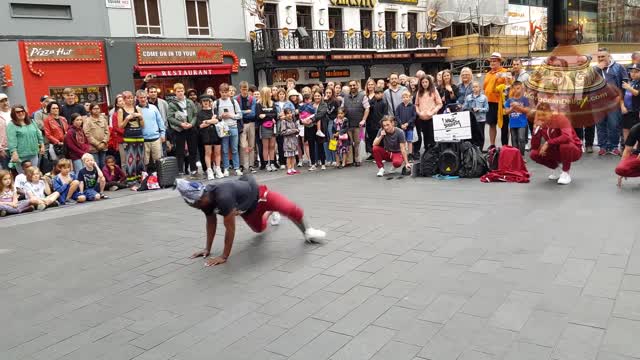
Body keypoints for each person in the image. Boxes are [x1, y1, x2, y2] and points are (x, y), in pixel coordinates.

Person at [177, 174, 326, 266]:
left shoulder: (223, 198)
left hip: (261, 196)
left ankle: (308, 231)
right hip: (247, 211)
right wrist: (207, 249)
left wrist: (224, 256)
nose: (194, 207)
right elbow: (211, 223)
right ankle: (270, 213)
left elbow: (230, 229)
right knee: (259, 229)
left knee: (290, 208)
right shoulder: (204, 202)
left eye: (193, 204)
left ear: (198, 200)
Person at [530, 103, 582, 185]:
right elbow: (534, 146)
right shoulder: (541, 124)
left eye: (544, 114)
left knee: (565, 145)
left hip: (573, 150)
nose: (541, 117)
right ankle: (557, 169)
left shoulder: (561, 119)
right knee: (534, 154)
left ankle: (566, 173)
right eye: (539, 115)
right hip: (556, 150)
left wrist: (548, 142)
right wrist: (535, 131)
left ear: (551, 113)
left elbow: (567, 137)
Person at [595, 47, 628, 156]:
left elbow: (624, 86)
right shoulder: (595, 69)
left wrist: (622, 102)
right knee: (600, 125)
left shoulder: (619, 67)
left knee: (614, 124)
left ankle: (613, 146)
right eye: (599, 56)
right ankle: (603, 147)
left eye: (603, 56)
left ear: (609, 56)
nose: (600, 58)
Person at [167, 83, 199, 176]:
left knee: (193, 150)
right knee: (180, 151)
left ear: (184, 91)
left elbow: (195, 114)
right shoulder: (172, 104)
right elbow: (170, 117)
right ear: (175, 92)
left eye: (181, 91)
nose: (180, 93)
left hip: (190, 128)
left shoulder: (190, 102)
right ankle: (180, 170)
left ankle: (194, 169)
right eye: (178, 91)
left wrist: (191, 124)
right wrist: (181, 124)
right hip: (179, 129)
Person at [213, 83, 243, 176]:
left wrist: (230, 115)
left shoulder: (233, 102)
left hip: (233, 126)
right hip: (223, 127)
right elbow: (214, 116)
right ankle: (226, 168)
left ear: (229, 92)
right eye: (222, 92)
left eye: (226, 92)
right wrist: (220, 116)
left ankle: (237, 168)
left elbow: (240, 115)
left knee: (234, 149)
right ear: (219, 92)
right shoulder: (216, 103)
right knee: (225, 149)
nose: (224, 94)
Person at [7, 105, 45, 173]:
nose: (21, 113)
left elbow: (39, 134)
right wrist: (14, 153)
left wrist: (42, 145)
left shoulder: (32, 122)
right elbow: (11, 140)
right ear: (13, 114)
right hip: (21, 156)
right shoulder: (11, 125)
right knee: (24, 177)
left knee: (34, 174)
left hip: (34, 153)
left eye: (22, 111)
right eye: (18, 112)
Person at [484, 52, 509, 150]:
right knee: (492, 124)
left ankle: (505, 146)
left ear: (499, 62)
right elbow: (485, 87)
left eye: (494, 61)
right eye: (491, 61)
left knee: (504, 125)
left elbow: (508, 86)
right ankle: (492, 144)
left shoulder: (505, 72)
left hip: (501, 103)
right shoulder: (488, 73)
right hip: (489, 102)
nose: (492, 63)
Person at [118, 91, 145, 182]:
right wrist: (126, 119)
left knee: (140, 157)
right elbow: (120, 126)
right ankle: (131, 179)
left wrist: (140, 117)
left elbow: (143, 125)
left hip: (139, 134)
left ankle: (140, 177)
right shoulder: (121, 110)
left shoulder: (137, 108)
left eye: (131, 98)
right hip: (129, 136)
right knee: (130, 158)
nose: (130, 100)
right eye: (128, 98)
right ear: (124, 99)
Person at [197, 95, 224, 180]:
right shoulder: (199, 113)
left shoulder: (214, 110)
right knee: (208, 153)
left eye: (207, 101)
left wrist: (207, 121)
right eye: (204, 101)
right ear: (201, 103)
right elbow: (201, 126)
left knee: (217, 152)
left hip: (216, 133)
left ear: (210, 102)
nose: (206, 103)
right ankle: (209, 170)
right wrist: (211, 121)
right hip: (206, 135)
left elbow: (217, 120)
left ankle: (218, 169)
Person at [136, 90, 165, 169]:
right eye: (141, 97)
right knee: (144, 162)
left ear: (147, 97)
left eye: (144, 97)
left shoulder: (153, 108)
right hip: (143, 140)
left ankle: (158, 178)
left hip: (156, 138)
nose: (143, 99)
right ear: (137, 98)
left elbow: (160, 121)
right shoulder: (135, 109)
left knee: (158, 161)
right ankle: (146, 179)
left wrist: (163, 134)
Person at [343, 80, 369, 166]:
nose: (352, 87)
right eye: (350, 85)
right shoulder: (345, 97)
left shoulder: (363, 96)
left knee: (358, 142)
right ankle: (350, 161)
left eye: (354, 85)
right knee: (349, 143)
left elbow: (367, 108)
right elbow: (342, 109)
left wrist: (364, 120)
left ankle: (358, 159)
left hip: (359, 125)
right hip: (348, 124)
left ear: (357, 86)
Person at [415, 75, 443, 150]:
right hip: (422, 118)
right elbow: (416, 105)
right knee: (425, 136)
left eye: (426, 82)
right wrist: (419, 113)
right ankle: (427, 153)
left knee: (432, 136)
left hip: (432, 118)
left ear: (429, 82)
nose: (424, 84)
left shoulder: (434, 91)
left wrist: (433, 112)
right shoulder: (419, 92)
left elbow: (440, 104)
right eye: (423, 82)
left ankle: (433, 153)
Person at [504, 81, 530, 155]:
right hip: (513, 123)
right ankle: (516, 156)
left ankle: (522, 155)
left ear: (521, 88)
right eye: (515, 89)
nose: (516, 90)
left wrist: (517, 107)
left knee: (521, 139)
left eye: (518, 88)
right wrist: (512, 108)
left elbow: (527, 110)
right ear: (512, 89)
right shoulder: (509, 100)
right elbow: (506, 112)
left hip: (522, 123)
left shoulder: (524, 99)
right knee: (514, 140)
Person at [256, 87, 278, 172]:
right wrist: (269, 115)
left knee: (272, 146)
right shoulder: (259, 104)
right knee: (265, 146)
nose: (271, 94)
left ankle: (272, 163)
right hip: (264, 126)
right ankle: (266, 163)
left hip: (273, 126)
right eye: (269, 92)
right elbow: (259, 116)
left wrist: (266, 115)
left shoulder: (272, 103)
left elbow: (275, 114)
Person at [237, 81, 257, 174]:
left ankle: (251, 165)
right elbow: (237, 113)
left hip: (251, 123)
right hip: (242, 124)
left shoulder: (252, 99)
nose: (245, 91)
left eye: (246, 89)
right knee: (243, 146)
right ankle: (243, 165)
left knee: (251, 145)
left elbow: (253, 113)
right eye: (243, 89)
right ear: (240, 89)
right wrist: (246, 112)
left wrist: (242, 112)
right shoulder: (236, 99)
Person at [462, 81, 489, 149]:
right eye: (473, 87)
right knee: (472, 135)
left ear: (480, 88)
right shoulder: (468, 97)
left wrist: (479, 109)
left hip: (481, 119)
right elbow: (464, 107)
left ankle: (480, 150)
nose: (475, 88)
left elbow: (487, 109)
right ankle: (472, 150)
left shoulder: (484, 97)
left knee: (481, 135)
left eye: (476, 87)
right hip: (471, 120)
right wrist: (470, 109)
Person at [83, 102, 110, 169]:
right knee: (95, 164)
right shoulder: (87, 121)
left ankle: (104, 178)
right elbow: (87, 134)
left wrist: (104, 142)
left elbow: (107, 131)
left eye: (98, 108)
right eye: (94, 109)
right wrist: (97, 144)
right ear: (91, 110)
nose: (96, 110)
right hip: (93, 148)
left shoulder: (103, 119)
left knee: (103, 164)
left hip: (103, 146)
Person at [366, 87, 388, 159]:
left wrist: (383, 124)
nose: (378, 95)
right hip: (372, 124)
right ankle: (373, 154)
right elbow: (368, 107)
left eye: (380, 93)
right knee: (372, 139)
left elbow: (385, 115)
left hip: (380, 125)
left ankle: (382, 155)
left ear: (382, 94)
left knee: (381, 140)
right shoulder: (373, 101)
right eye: (376, 94)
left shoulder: (384, 103)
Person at [621, 63, 640, 143]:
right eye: (631, 71)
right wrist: (622, 106)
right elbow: (621, 96)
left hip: (636, 111)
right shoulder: (630, 82)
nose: (633, 73)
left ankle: (635, 148)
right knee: (625, 129)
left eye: (636, 72)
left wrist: (629, 88)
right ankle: (627, 146)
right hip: (627, 110)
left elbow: (637, 93)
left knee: (635, 130)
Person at [395, 90, 416, 157]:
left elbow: (414, 116)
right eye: (403, 97)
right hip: (401, 127)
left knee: (409, 141)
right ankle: (403, 154)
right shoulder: (399, 107)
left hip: (409, 127)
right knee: (402, 141)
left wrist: (407, 123)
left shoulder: (412, 106)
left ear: (410, 98)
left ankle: (410, 154)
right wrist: (401, 124)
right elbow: (397, 116)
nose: (405, 98)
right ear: (402, 98)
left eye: (407, 97)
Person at [323, 87, 340, 166]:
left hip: (333, 121)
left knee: (332, 139)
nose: (328, 94)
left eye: (330, 93)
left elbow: (332, 112)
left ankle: (334, 159)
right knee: (326, 140)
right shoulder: (324, 101)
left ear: (332, 93)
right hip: (325, 121)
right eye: (327, 93)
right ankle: (329, 158)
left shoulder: (335, 101)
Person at [280, 108, 300, 175]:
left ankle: (293, 168)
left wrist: (297, 130)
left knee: (293, 155)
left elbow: (297, 129)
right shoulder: (284, 121)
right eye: (288, 113)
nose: (289, 115)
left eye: (290, 113)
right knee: (289, 156)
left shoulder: (293, 121)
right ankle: (288, 169)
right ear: (285, 114)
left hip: (294, 141)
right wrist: (293, 130)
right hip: (288, 142)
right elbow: (283, 132)